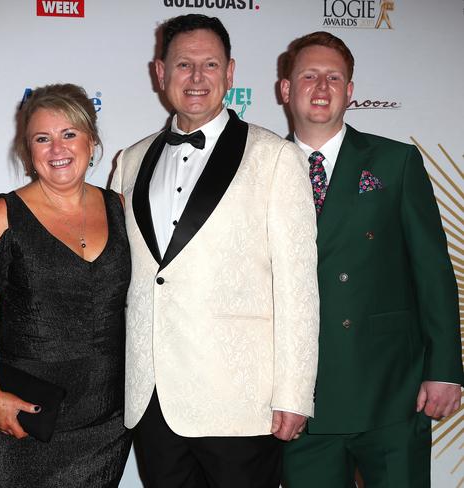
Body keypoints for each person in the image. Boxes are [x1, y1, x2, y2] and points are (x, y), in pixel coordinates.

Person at [111, 14, 319, 487]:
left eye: (210, 64)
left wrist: (294, 393)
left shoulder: (276, 158)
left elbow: (299, 287)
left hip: (241, 403)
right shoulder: (130, 160)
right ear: (159, 73)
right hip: (154, 400)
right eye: (184, 64)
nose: (197, 77)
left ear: (230, 73)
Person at [279, 31, 463, 488]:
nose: (321, 88)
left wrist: (444, 370)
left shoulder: (394, 162)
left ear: (350, 92)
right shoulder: (261, 166)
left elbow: (433, 271)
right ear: (285, 89)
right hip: (301, 398)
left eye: (334, 77)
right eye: (309, 76)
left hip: (391, 391)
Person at [0, 83, 132, 487]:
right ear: (28, 150)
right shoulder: (2, 214)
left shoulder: (119, 208)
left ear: (92, 141)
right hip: (20, 414)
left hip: (104, 419)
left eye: (69, 134)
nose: (58, 148)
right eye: (43, 138)